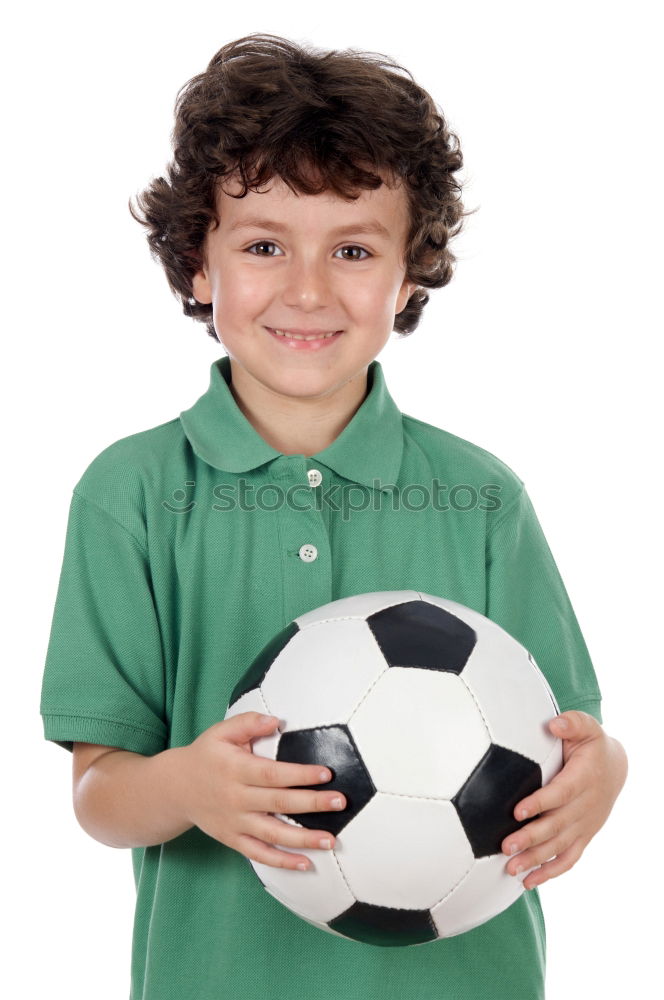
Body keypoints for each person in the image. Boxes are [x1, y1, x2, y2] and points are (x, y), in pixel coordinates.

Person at [39, 32, 627, 1000]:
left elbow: (574, 735)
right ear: (197, 264)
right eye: (264, 245)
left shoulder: (480, 493)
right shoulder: (132, 492)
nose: (307, 288)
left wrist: (603, 777)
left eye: (352, 249)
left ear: (406, 279)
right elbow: (101, 793)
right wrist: (189, 785)